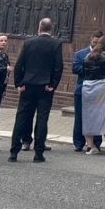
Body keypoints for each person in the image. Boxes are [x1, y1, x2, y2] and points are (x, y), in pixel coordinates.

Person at [8, 17, 63, 163]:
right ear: (51, 29)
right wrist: (53, 84)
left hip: (28, 85)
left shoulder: (28, 42)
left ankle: (14, 152)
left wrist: (19, 83)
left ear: (39, 28)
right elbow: (58, 67)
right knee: (42, 119)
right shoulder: (56, 44)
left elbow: (19, 64)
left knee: (21, 118)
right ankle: (38, 153)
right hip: (45, 87)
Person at [80, 35, 105, 156]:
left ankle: (90, 147)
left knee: (88, 116)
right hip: (103, 87)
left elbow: (83, 71)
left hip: (87, 87)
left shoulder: (88, 56)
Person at [72, 30, 104, 152]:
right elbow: (75, 68)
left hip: (97, 90)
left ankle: (96, 142)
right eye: (94, 42)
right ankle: (79, 143)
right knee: (79, 116)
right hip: (82, 89)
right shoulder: (80, 54)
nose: (96, 45)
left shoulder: (104, 55)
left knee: (96, 117)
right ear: (91, 40)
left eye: (98, 43)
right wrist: (90, 68)